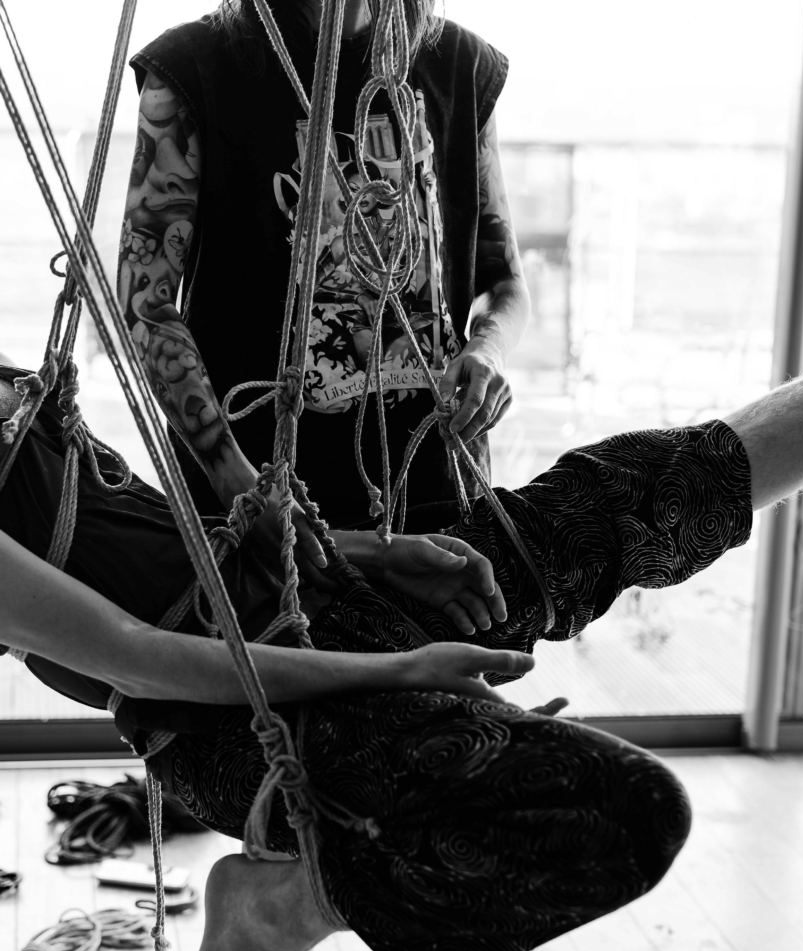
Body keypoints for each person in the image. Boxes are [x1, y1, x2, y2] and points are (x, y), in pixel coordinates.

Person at [5, 165, 803, 951]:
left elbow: (166, 532)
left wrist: (380, 555)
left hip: (315, 593)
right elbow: (142, 654)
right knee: (620, 811)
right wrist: (401, 670)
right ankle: (278, 907)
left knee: (642, 489)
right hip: (225, 717)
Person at [118, 0, 529, 568]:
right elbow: (145, 304)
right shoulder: (192, 68)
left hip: (440, 498)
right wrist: (236, 481)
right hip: (265, 520)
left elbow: (502, 281)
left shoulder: (459, 65)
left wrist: (489, 348)